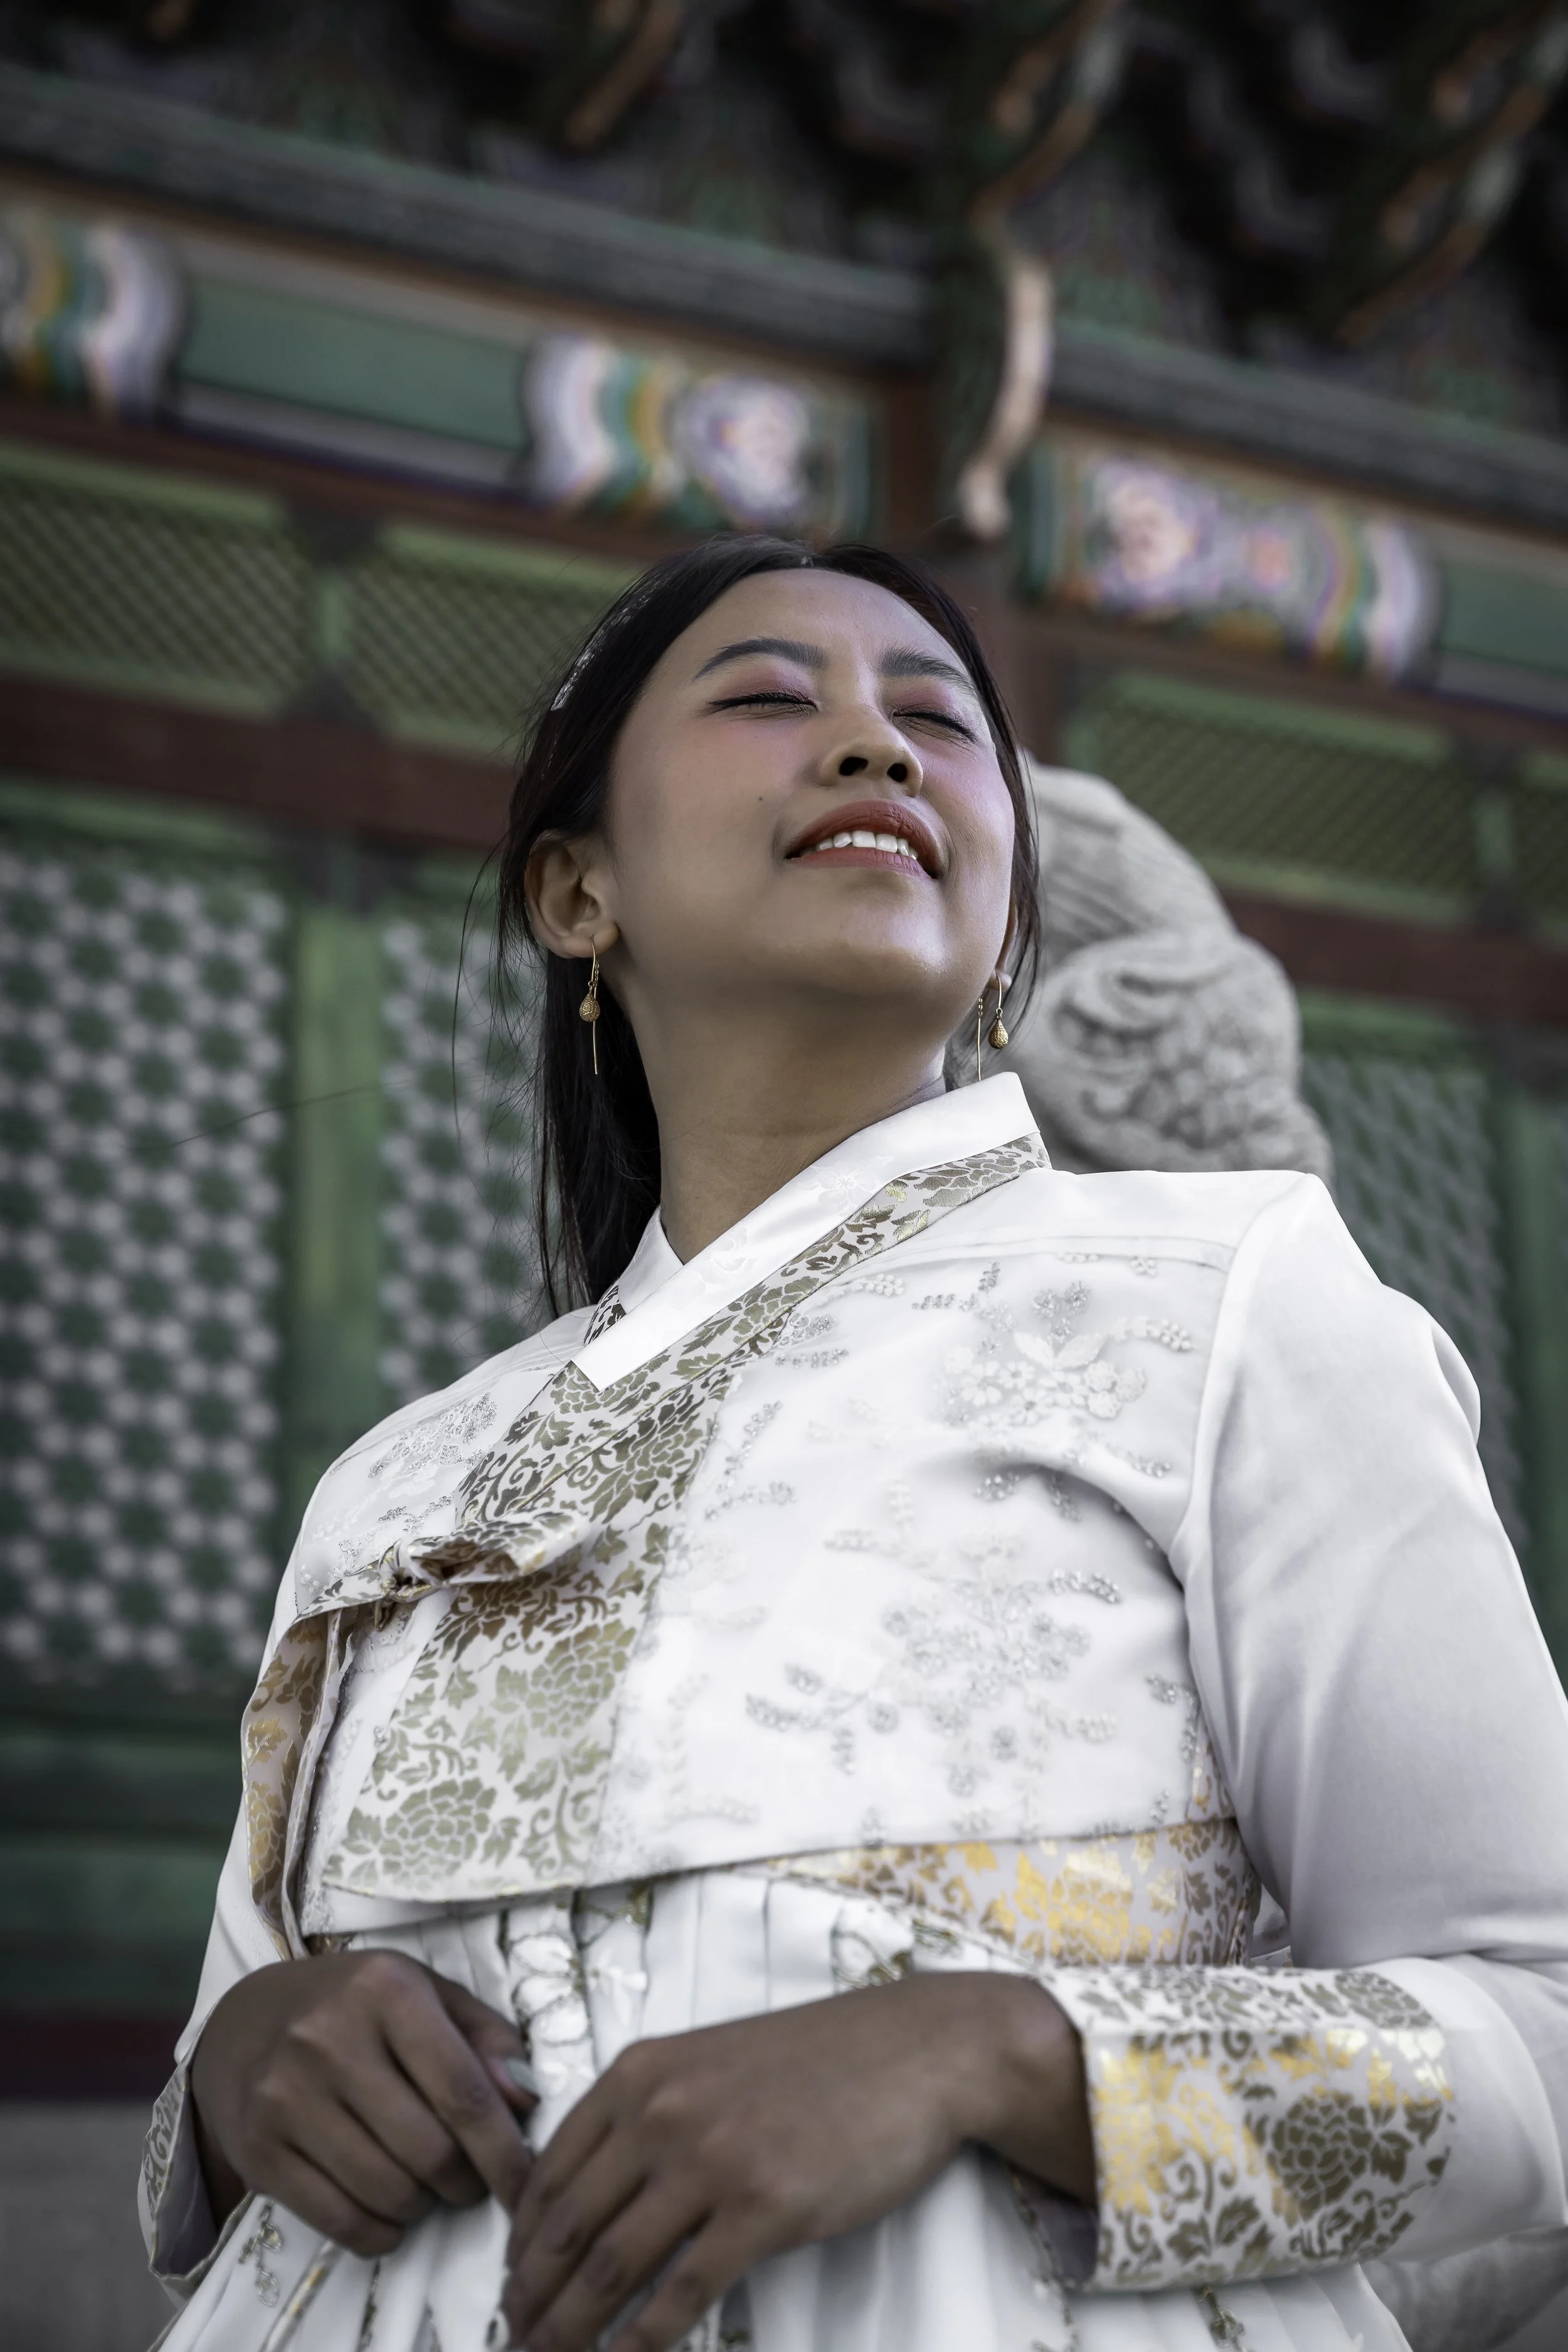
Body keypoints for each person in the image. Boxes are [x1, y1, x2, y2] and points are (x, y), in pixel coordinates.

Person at [139, 537, 1568, 2352]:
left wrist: (996, 2052)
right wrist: (239, 2067)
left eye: (934, 721)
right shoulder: (399, 1478)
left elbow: (1543, 2023)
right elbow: (235, 2041)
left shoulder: (1228, 1295)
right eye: (764, 695)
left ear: (1004, 930)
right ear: (576, 889)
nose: (875, 748)